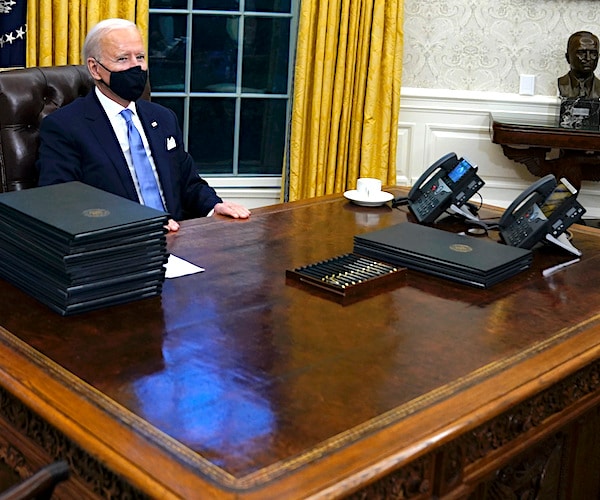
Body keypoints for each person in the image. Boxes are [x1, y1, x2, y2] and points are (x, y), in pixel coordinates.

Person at [37, 18, 250, 232]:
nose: (136, 67)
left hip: (177, 238)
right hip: (118, 245)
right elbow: (62, 204)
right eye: (122, 59)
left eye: (140, 57)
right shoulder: (65, 126)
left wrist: (213, 206)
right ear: (95, 68)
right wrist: (138, 225)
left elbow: (187, 183)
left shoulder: (163, 118)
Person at [558, 31, 600, 98]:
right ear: (568, 57)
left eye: (593, 53)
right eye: (581, 53)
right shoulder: (560, 84)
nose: (588, 58)